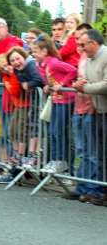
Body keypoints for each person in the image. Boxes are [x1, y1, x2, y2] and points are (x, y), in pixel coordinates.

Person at [32, 34, 77, 174]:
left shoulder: (53, 62)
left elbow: (73, 71)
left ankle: (62, 161)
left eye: (36, 51)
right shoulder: (42, 64)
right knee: (52, 131)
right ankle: (55, 160)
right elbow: (49, 79)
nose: (33, 54)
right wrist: (47, 85)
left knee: (59, 131)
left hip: (65, 99)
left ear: (44, 51)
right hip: (56, 99)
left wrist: (62, 84)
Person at [73, 29, 107, 206]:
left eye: (83, 44)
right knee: (99, 153)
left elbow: (105, 85)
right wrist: (79, 84)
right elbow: (84, 80)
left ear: (93, 43)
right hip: (99, 111)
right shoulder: (89, 60)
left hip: (103, 110)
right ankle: (99, 190)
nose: (81, 47)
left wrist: (84, 88)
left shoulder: (106, 56)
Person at [6, 47, 44, 166]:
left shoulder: (30, 64)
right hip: (31, 100)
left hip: (40, 99)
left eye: (18, 58)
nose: (16, 62)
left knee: (35, 127)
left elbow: (39, 80)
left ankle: (33, 155)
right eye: (13, 60)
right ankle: (23, 156)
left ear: (24, 57)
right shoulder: (17, 70)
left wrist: (28, 84)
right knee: (26, 127)